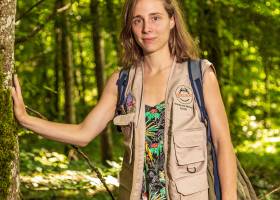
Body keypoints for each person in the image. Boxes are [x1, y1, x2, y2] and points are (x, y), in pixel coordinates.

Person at [11, 0, 237, 199]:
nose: (147, 28)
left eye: (155, 18)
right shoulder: (121, 82)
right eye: (138, 20)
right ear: (131, 27)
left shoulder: (199, 75)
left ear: (172, 20)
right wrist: (25, 119)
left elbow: (222, 143)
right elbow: (82, 134)